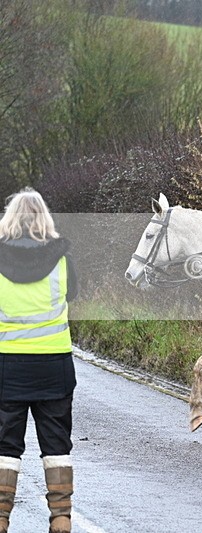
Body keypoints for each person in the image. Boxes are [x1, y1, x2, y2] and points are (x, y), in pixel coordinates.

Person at [0, 188, 78, 533]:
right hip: (54, 366)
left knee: (5, 445)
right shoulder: (61, 260)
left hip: (8, 367)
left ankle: (1, 518)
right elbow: (72, 294)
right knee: (57, 443)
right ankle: (61, 519)